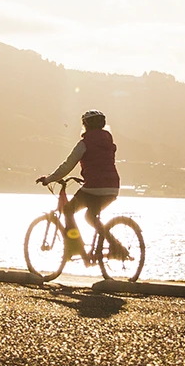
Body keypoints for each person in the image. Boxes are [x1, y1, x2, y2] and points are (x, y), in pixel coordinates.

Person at [38, 109, 127, 260]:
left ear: (85, 125)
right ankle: (116, 246)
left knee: (67, 210)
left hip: (94, 188)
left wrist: (49, 179)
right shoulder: (108, 141)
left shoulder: (84, 144)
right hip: (112, 188)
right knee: (90, 217)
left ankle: (74, 247)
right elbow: (101, 165)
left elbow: (67, 166)